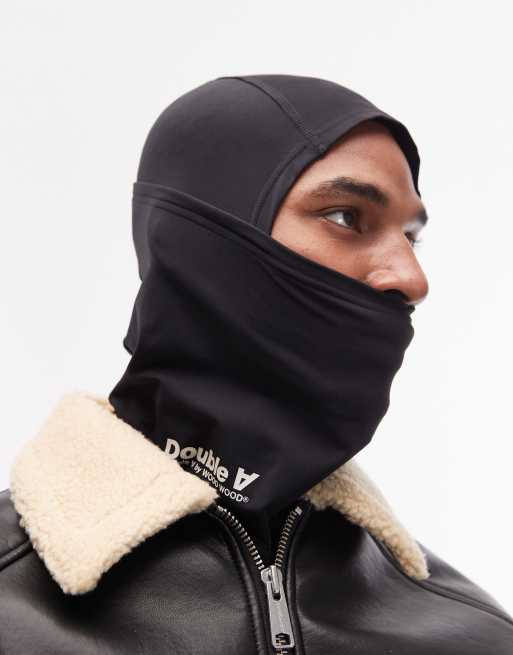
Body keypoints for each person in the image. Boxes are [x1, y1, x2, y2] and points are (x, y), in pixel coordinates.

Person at [1, 74, 511, 654]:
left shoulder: (474, 635)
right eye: (346, 217)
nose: (413, 280)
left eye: (411, 237)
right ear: (202, 247)